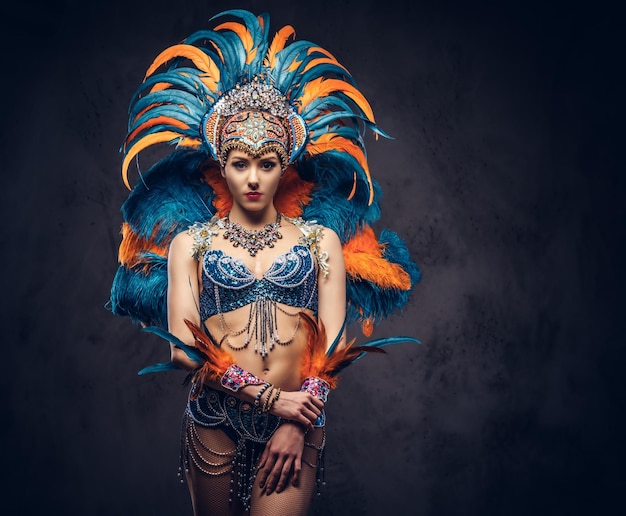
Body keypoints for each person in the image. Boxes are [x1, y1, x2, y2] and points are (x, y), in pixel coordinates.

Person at [109, 9, 420, 516]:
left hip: (299, 421)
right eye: (240, 163)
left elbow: (334, 348)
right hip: (214, 417)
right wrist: (271, 400)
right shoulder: (192, 243)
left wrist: (294, 423)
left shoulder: (322, 242)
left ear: (285, 167)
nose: (253, 178)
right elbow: (184, 355)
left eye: (267, 163)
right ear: (222, 166)